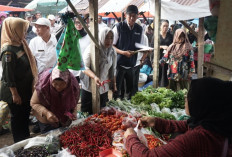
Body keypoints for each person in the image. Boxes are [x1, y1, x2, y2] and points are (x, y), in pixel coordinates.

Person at [124, 77, 232, 157]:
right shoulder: (217, 125)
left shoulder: (196, 139)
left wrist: (131, 138)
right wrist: (156, 122)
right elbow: (185, 125)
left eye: (189, 97)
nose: (186, 99)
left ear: (200, 103)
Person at [0, 17, 38, 142]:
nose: (26, 33)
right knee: (18, 117)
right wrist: (15, 95)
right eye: (23, 30)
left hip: (25, 89)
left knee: (24, 115)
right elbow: (7, 76)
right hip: (15, 92)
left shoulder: (21, 43)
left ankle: (25, 139)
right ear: (14, 30)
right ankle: (20, 143)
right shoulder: (8, 51)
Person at [30, 66, 79, 133]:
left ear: (67, 82)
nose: (58, 87)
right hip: (47, 118)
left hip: (64, 117)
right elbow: (34, 103)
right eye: (55, 83)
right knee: (48, 138)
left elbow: (73, 102)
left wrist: (73, 112)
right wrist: (46, 113)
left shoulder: (73, 87)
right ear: (51, 80)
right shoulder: (43, 86)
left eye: (62, 84)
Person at [80, 27, 117, 114]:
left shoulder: (112, 52)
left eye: (111, 38)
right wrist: (94, 77)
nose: (109, 40)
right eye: (106, 37)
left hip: (104, 87)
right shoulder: (92, 49)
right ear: (101, 36)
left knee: (101, 112)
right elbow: (83, 67)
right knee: (87, 112)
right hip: (90, 86)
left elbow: (113, 70)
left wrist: (114, 84)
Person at [112, 5, 143, 99]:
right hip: (119, 64)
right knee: (117, 91)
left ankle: (127, 110)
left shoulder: (139, 29)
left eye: (135, 16)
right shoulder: (118, 27)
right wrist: (123, 52)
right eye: (130, 15)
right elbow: (111, 46)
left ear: (137, 16)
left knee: (130, 90)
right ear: (125, 15)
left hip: (132, 65)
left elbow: (138, 45)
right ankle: (115, 109)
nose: (132, 18)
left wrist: (144, 50)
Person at [69, 17, 90, 83]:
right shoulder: (69, 37)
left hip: (84, 68)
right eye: (76, 23)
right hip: (71, 68)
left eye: (81, 22)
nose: (79, 24)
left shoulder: (88, 37)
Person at [158, 20, 173, 87]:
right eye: (164, 26)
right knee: (159, 72)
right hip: (158, 56)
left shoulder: (170, 36)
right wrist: (161, 47)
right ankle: (158, 86)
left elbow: (173, 45)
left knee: (166, 72)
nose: (165, 28)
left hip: (167, 58)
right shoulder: (157, 35)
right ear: (160, 26)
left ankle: (165, 87)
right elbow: (152, 46)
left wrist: (169, 48)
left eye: (167, 26)